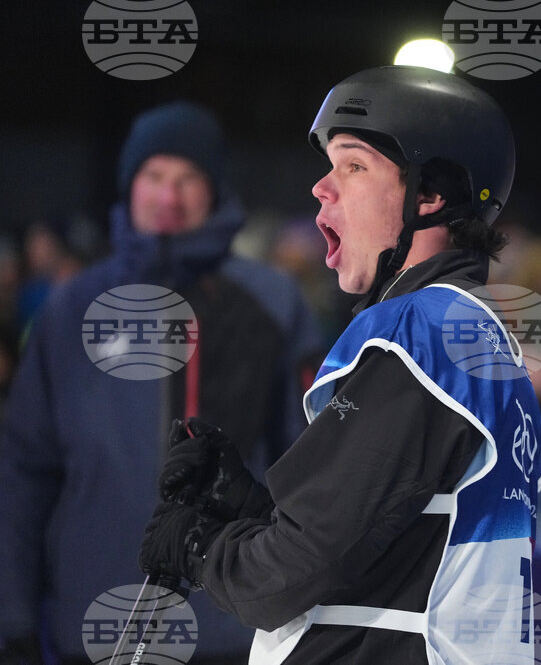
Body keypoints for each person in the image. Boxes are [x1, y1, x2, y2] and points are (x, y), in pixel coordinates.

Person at [138, 66, 541, 664]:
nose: (321, 188)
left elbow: (289, 576)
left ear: (430, 194)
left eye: (353, 166)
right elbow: (391, 544)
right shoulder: (469, 338)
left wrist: (199, 546)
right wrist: (243, 502)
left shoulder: (420, 333)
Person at [0, 101, 323, 664]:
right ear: (130, 184)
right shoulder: (72, 306)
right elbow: (25, 471)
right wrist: (15, 617)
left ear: (215, 188)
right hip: (93, 622)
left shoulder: (273, 302)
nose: (169, 197)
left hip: (236, 629)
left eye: (187, 178)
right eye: (153, 176)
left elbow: (310, 466)